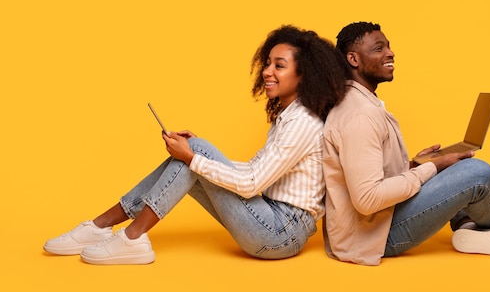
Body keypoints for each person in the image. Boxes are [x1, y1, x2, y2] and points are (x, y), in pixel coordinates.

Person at [43, 25, 346, 265]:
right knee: (193, 156)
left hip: (281, 233)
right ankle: (101, 227)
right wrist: (195, 157)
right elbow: (255, 170)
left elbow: (252, 183)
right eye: (267, 63)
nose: (267, 71)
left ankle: (129, 236)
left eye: (279, 66)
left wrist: (195, 157)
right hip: (270, 219)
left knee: (195, 155)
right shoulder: (289, 116)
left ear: (303, 74)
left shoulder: (303, 122)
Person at [322, 21, 490, 266]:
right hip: (374, 237)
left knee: (448, 166)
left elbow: (369, 176)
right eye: (378, 48)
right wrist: (431, 168)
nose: (390, 53)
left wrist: (415, 164)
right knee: (478, 173)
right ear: (353, 59)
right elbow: (367, 199)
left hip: (379, 223)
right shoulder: (359, 116)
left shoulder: (362, 103)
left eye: (388, 47)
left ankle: (468, 225)